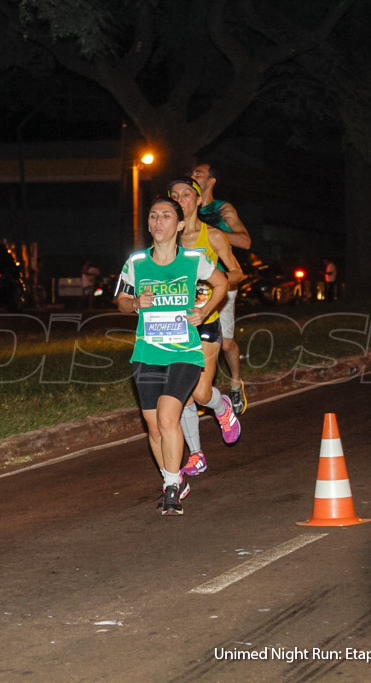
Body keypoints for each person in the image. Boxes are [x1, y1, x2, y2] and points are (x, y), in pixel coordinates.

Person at [116, 196, 227, 515]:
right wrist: (137, 303)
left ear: (179, 225)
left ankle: (172, 486)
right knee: (153, 427)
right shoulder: (136, 262)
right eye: (153, 216)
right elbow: (121, 301)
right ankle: (174, 477)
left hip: (185, 353)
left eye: (165, 216)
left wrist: (204, 310)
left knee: (167, 417)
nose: (158, 222)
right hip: (147, 353)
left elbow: (221, 283)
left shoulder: (193, 260)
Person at [170, 177, 243, 478]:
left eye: (187, 194)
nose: (180, 199)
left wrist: (213, 287)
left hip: (206, 320)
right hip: (175, 325)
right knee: (183, 395)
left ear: (198, 201)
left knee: (201, 394)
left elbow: (237, 272)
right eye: (174, 195)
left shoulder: (211, 236)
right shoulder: (166, 242)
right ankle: (196, 454)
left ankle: (222, 406)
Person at [191, 163, 251, 414]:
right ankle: (201, 390)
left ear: (211, 180)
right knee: (195, 339)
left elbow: (246, 241)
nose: (193, 176)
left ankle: (236, 384)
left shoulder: (222, 209)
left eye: (199, 173)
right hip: (192, 288)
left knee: (225, 343)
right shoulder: (185, 210)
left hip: (221, 284)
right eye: (192, 173)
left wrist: (215, 234)